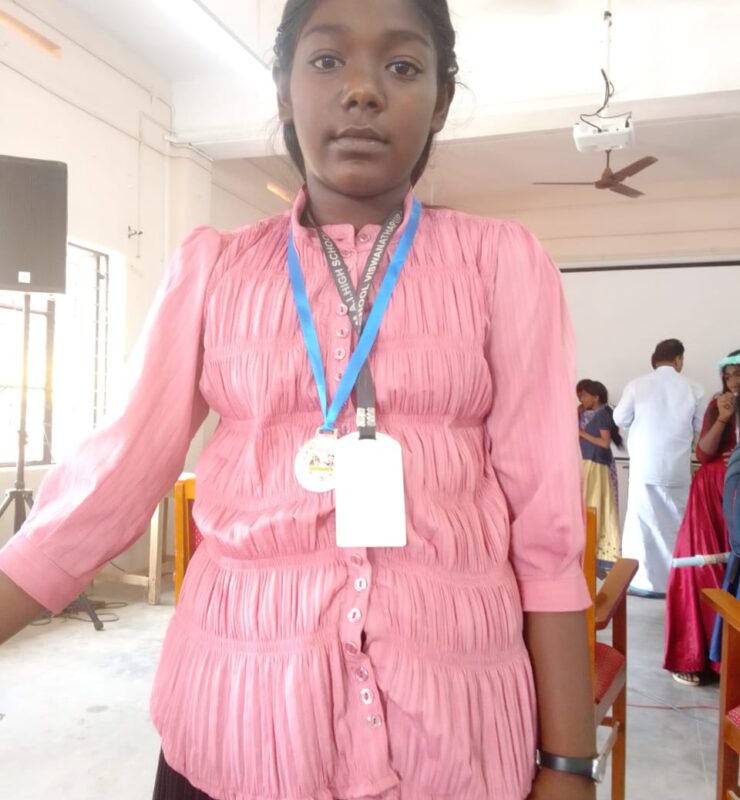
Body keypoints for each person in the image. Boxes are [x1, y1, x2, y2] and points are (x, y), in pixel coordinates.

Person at [0, 2, 598, 799]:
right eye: (325, 61)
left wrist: (569, 764)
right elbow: (108, 483)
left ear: (441, 101)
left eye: (402, 66)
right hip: (236, 730)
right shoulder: (215, 270)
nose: (362, 89)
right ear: (283, 91)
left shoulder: (503, 265)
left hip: (454, 745)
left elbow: (547, 535)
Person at [664, 350, 740, 685]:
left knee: (735, 573)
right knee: (703, 568)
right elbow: (704, 453)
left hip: (735, 492)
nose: (734, 381)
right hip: (711, 494)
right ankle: (694, 657)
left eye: (739, 374)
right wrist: (723, 418)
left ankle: (730, 662)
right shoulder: (718, 405)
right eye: (729, 375)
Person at [613, 339, 705, 597]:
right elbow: (702, 425)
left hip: (644, 466)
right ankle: (675, 582)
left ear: (655, 360)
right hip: (676, 468)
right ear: (678, 360)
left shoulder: (637, 385)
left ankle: (642, 582)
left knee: (642, 524)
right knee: (676, 523)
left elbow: (619, 418)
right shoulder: (694, 387)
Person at [577, 380, 623, 574]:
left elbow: (604, 443)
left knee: (595, 506)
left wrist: (581, 433)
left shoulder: (602, 414)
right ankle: (586, 553)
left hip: (597, 466)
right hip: (586, 464)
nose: (581, 399)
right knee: (585, 506)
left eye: (584, 395)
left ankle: (598, 555)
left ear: (596, 397)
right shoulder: (585, 414)